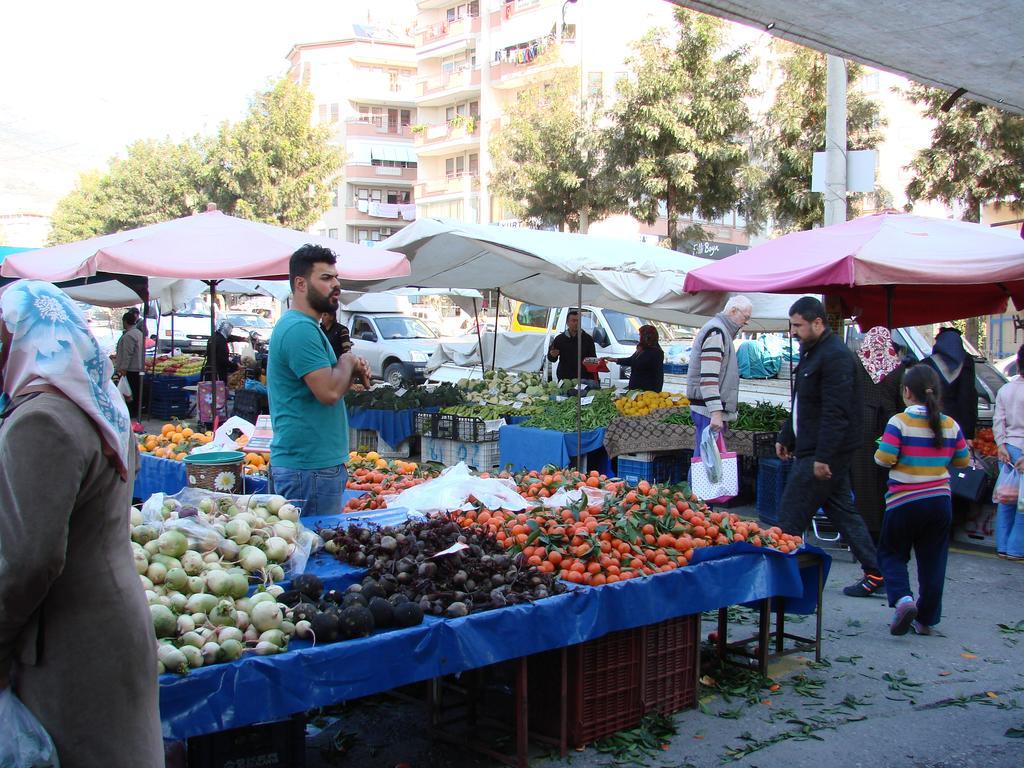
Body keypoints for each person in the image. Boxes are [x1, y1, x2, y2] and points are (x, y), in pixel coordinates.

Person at [0, 280, 162, 765]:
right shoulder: (99, 403)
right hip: (112, 617)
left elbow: (28, 561)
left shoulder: (42, 419)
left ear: (26, 338)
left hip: (70, 642)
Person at [775, 296, 885, 597]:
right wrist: (787, 434)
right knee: (843, 512)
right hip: (813, 448)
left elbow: (836, 413)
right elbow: (803, 401)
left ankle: (780, 581)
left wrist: (823, 457)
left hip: (821, 454)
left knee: (790, 515)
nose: (793, 331)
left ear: (818, 322)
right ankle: (875, 572)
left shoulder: (835, 357)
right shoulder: (813, 352)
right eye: (792, 325)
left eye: (798, 325)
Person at [268, 244, 370, 517]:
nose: (335, 285)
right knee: (313, 552)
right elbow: (328, 393)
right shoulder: (300, 329)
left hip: (312, 466)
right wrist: (347, 361)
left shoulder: (305, 326)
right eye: (325, 278)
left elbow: (329, 389)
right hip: (308, 468)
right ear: (300, 284)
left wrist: (349, 372)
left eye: (335, 277)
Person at [874, 364, 970, 635]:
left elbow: (884, 459)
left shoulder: (899, 422)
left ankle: (903, 599)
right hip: (940, 501)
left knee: (891, 553)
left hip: (904, 500)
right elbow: (962, 461)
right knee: (933, 562)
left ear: (906, 392)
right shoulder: (950, 424)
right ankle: (925, 619)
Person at [850, 327, 910, 539]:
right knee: (886, 476)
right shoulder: (897, 368)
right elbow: (901, 401)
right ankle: (887, 524)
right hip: (889, 427)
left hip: (860, 426)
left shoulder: (856, 363)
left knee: (862, 478)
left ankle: (864, 528)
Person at [686, 296, 752, 457]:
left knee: (707, 460)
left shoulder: (720, 331)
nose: (746, 322)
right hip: (707, 410)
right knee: (705, 462)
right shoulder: (716, 332)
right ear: (733, 311)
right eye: (746, 317)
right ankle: (694, 483)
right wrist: (716, 413)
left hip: (707, 408)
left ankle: (696, 482)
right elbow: (709, 378)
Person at [993, 343, 1024, 560]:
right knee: (1022, 503)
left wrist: (1001, 446)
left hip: (1008, 448)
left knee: (1006, 498)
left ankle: (1003, 546)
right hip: (1022, 449)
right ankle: (1016, 548)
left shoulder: (1005, 389)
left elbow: (998, 421)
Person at [922, 327, 977, 440]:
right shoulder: (966, 363)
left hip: (929, 421)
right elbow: (967, 398)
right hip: (955, 425)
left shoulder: (926, 364)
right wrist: (968, 433)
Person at [605, 324, 664, 392]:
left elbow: (659, 375)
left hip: (646, 391)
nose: (639, 337)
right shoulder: (641, 349)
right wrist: (614, 359)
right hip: (635, 388)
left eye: (640, 335)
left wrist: (657, 392)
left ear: (646, 337)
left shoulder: (656, 352)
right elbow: (631, 360)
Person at [547, 309, 597, 382]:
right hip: (565, 379)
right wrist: (552, 355)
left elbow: (593, 359)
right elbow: (552, 358)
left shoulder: (587, 339)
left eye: (578, 321)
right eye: (573, 321)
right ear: (567, 322)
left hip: (583, 379)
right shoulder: (559, 339)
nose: (576, 323)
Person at [113, 309, 145, 408]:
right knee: (136, 389)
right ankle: (137, 408)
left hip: (131, 368)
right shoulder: (138, 333)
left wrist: (123, 368)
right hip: (139, 366)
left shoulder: (129, 335)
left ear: (125, 321)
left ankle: (132, 410)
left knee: (130, 391)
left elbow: (127, 354)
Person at [202, 318, 241, 384]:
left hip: (209, 370)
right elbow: (223, 360)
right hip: (218, 374)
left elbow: (230, 338)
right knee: (218, 392)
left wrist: (242, 339)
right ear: (227, 330)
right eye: (230, 330)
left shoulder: (213, 337)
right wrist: (236, 366)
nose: (230, 332)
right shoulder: (221, 341)